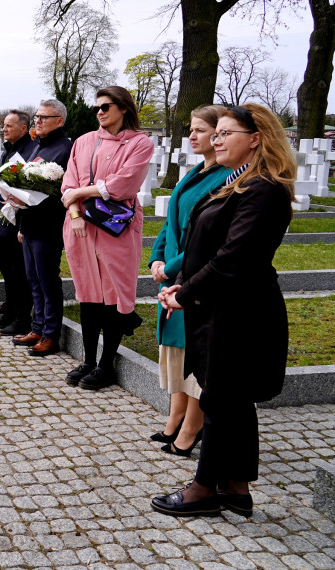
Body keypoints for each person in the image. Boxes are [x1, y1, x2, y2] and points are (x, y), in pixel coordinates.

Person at [151, 103, 296, 517]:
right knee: (231, 400)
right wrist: (184, 283)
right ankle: (235, 487)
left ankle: (203, 489)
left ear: (256, 138)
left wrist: (183, 293)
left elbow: (235, 258)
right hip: (219, 306)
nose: (216, 139)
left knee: (221, 399)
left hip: (241, 312)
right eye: (216, 133)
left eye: (225, 133)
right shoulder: (236, 182)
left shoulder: (264, 189)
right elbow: (207, 244)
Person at [148, 106, 231, 456]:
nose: (192, 136)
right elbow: (170, 223)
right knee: (178, 351)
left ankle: (191, 427)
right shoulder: (195, 171)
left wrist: (173, 266)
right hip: (176, 271)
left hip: (196, 275)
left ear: (219, 134)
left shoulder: (227, 176)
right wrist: (157, 257)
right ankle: (176, 416)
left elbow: (206, 237)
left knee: (194, 354)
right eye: (191, 129)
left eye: (200, 130)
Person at [60, 86, 153, 388]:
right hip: (81, 227)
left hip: (117, 227)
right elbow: (68, 183)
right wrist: (75, 211)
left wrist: (80, 193)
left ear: (124, 108)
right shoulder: (85, 141)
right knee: (88, 292)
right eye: (97, 107)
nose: (100, 112)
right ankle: (88, 359)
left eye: (106, 106)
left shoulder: (140, 143)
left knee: (112, 293)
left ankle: (106, 364)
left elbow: (122, 185)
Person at [11, 99, 72, 355]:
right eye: (36, 116)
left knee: (48, 282)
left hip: (50, 225)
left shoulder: (65, 149)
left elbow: (63, 191)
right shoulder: (38, 148)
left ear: (59, 120)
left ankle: (50, 334)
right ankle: (37, 327)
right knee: (33, 280)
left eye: (43, 117)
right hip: (31, 223)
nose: (38, 121)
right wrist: (22, 223)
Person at [0, 109, 37, 336]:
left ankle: (22, 318)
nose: (4, 129)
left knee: (19, 272)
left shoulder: (31, 150)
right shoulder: (9, 151)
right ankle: (10, 312)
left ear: (23, 128)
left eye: (9, 126)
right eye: (3, 126)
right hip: (4, 219)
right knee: (7, 268)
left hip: (19, 221)